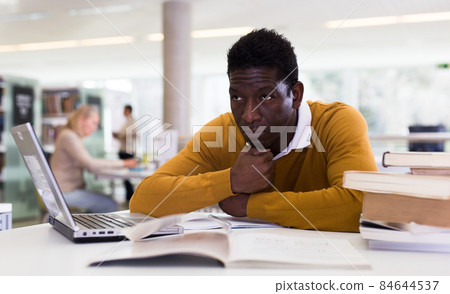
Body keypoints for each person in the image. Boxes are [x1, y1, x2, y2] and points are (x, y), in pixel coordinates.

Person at [130, 28, 377, 232]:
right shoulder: (221, 133)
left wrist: (251, 206)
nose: (249, 115)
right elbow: (144, 201)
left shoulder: (337, 121)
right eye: (237, 97)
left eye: (266, 96)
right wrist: (231, 180)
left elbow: (359, 206)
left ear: (296, 95)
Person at [50, 104, 137, 213]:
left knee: (106, 201)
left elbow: (89, 165)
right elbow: (90, 164)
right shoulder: (69, 137)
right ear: (82, 120)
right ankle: (85, 227)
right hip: (63, 193)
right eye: (94, 123)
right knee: (110, 204)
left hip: (65, 191)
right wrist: (124, 163)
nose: (96, 128)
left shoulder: (70, 136)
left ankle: (85, 226)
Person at [113, 105, 135, 201]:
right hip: (123, 150)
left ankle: (130, 196)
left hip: (127, 151)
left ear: (129, 111)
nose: (123, 112)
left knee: (127, 175)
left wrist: (121, 136)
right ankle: (129, 196)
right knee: (125, 176)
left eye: (124, 110)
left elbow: (129, 136)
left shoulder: (132, 123)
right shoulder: (125, 123)